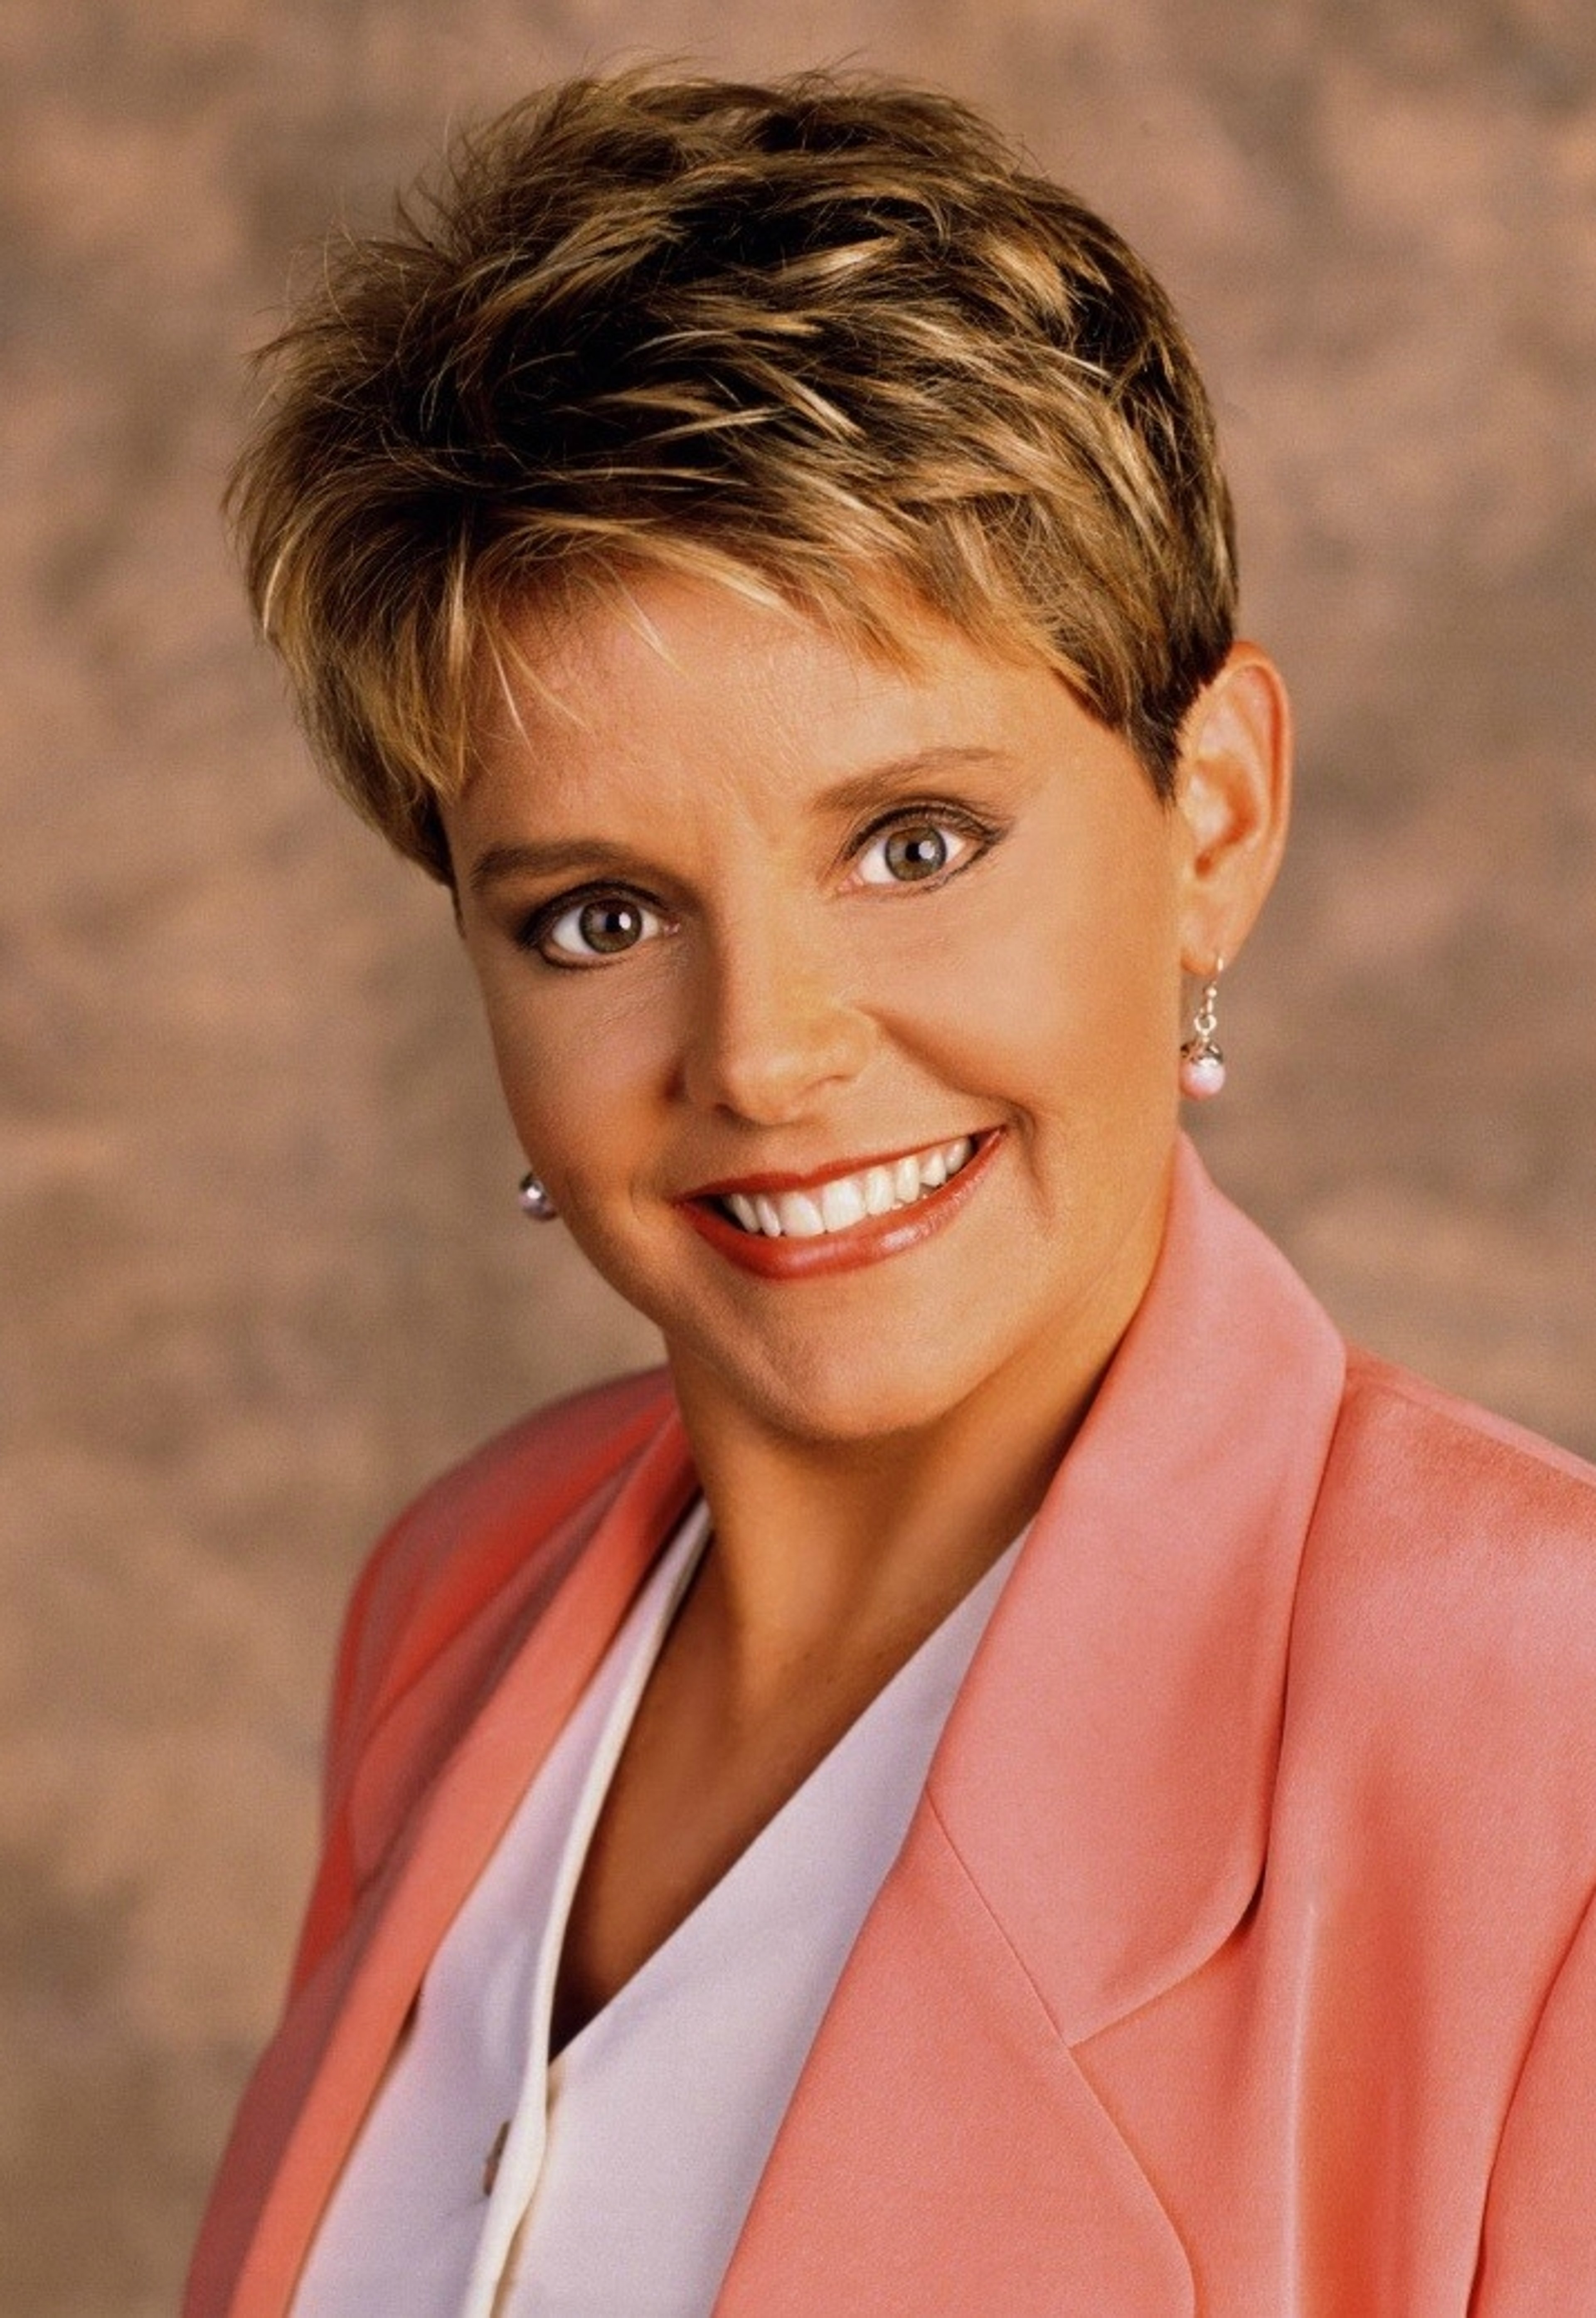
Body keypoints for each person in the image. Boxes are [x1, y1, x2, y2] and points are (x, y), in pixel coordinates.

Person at [187, 69, 1596, 2318]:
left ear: (1212, 817)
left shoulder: (1547, 1735)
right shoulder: (456, 1604)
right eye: (594, 917)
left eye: (915, 845)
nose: (764, 1054)